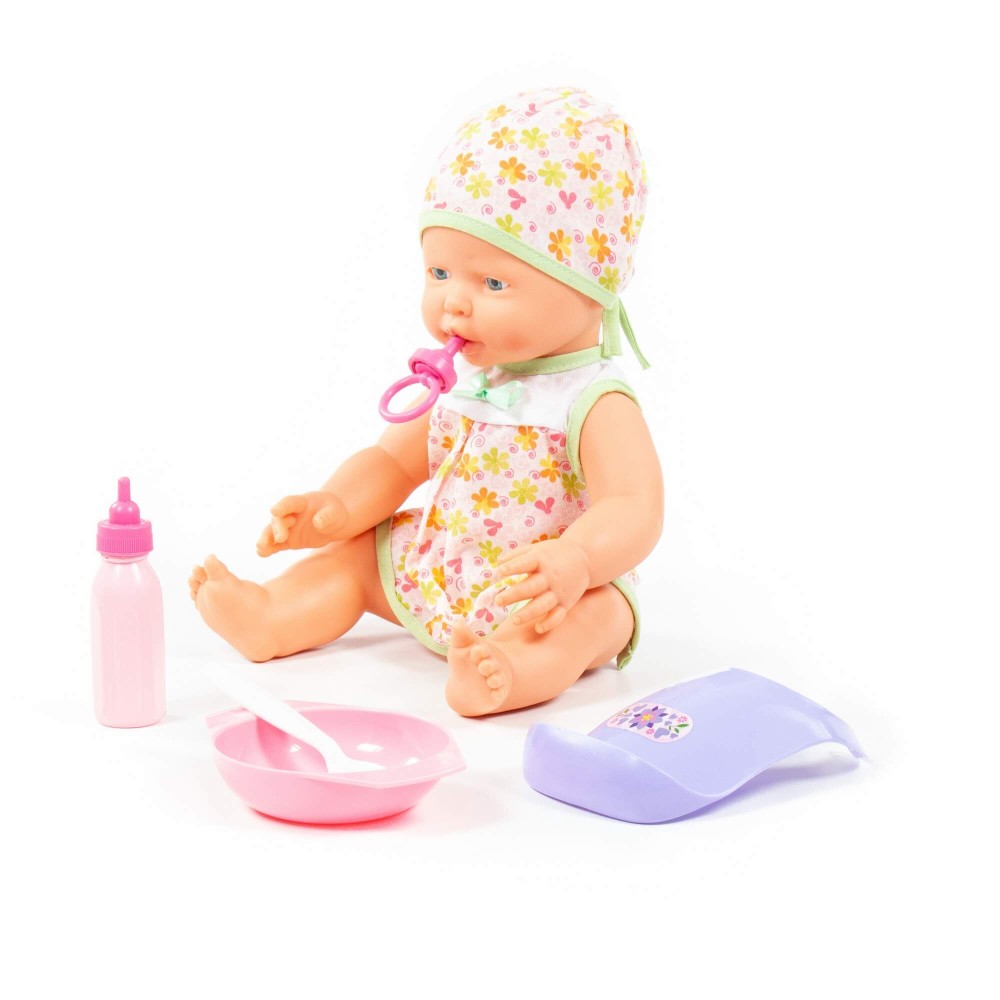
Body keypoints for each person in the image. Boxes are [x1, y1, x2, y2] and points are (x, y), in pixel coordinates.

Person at [190, 86, 664, 716]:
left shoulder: (592, 400)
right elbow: (393, 462)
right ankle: (273, 614)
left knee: (594, 618)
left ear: (588, 288)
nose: (453, 302)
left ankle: (510, 669)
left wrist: (578, 559)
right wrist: (335, 506)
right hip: (439, 565)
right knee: (359, 558)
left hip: (543, 588)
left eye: (492, 282)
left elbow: (634, 505)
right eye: (439, 274)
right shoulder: (466, 379)